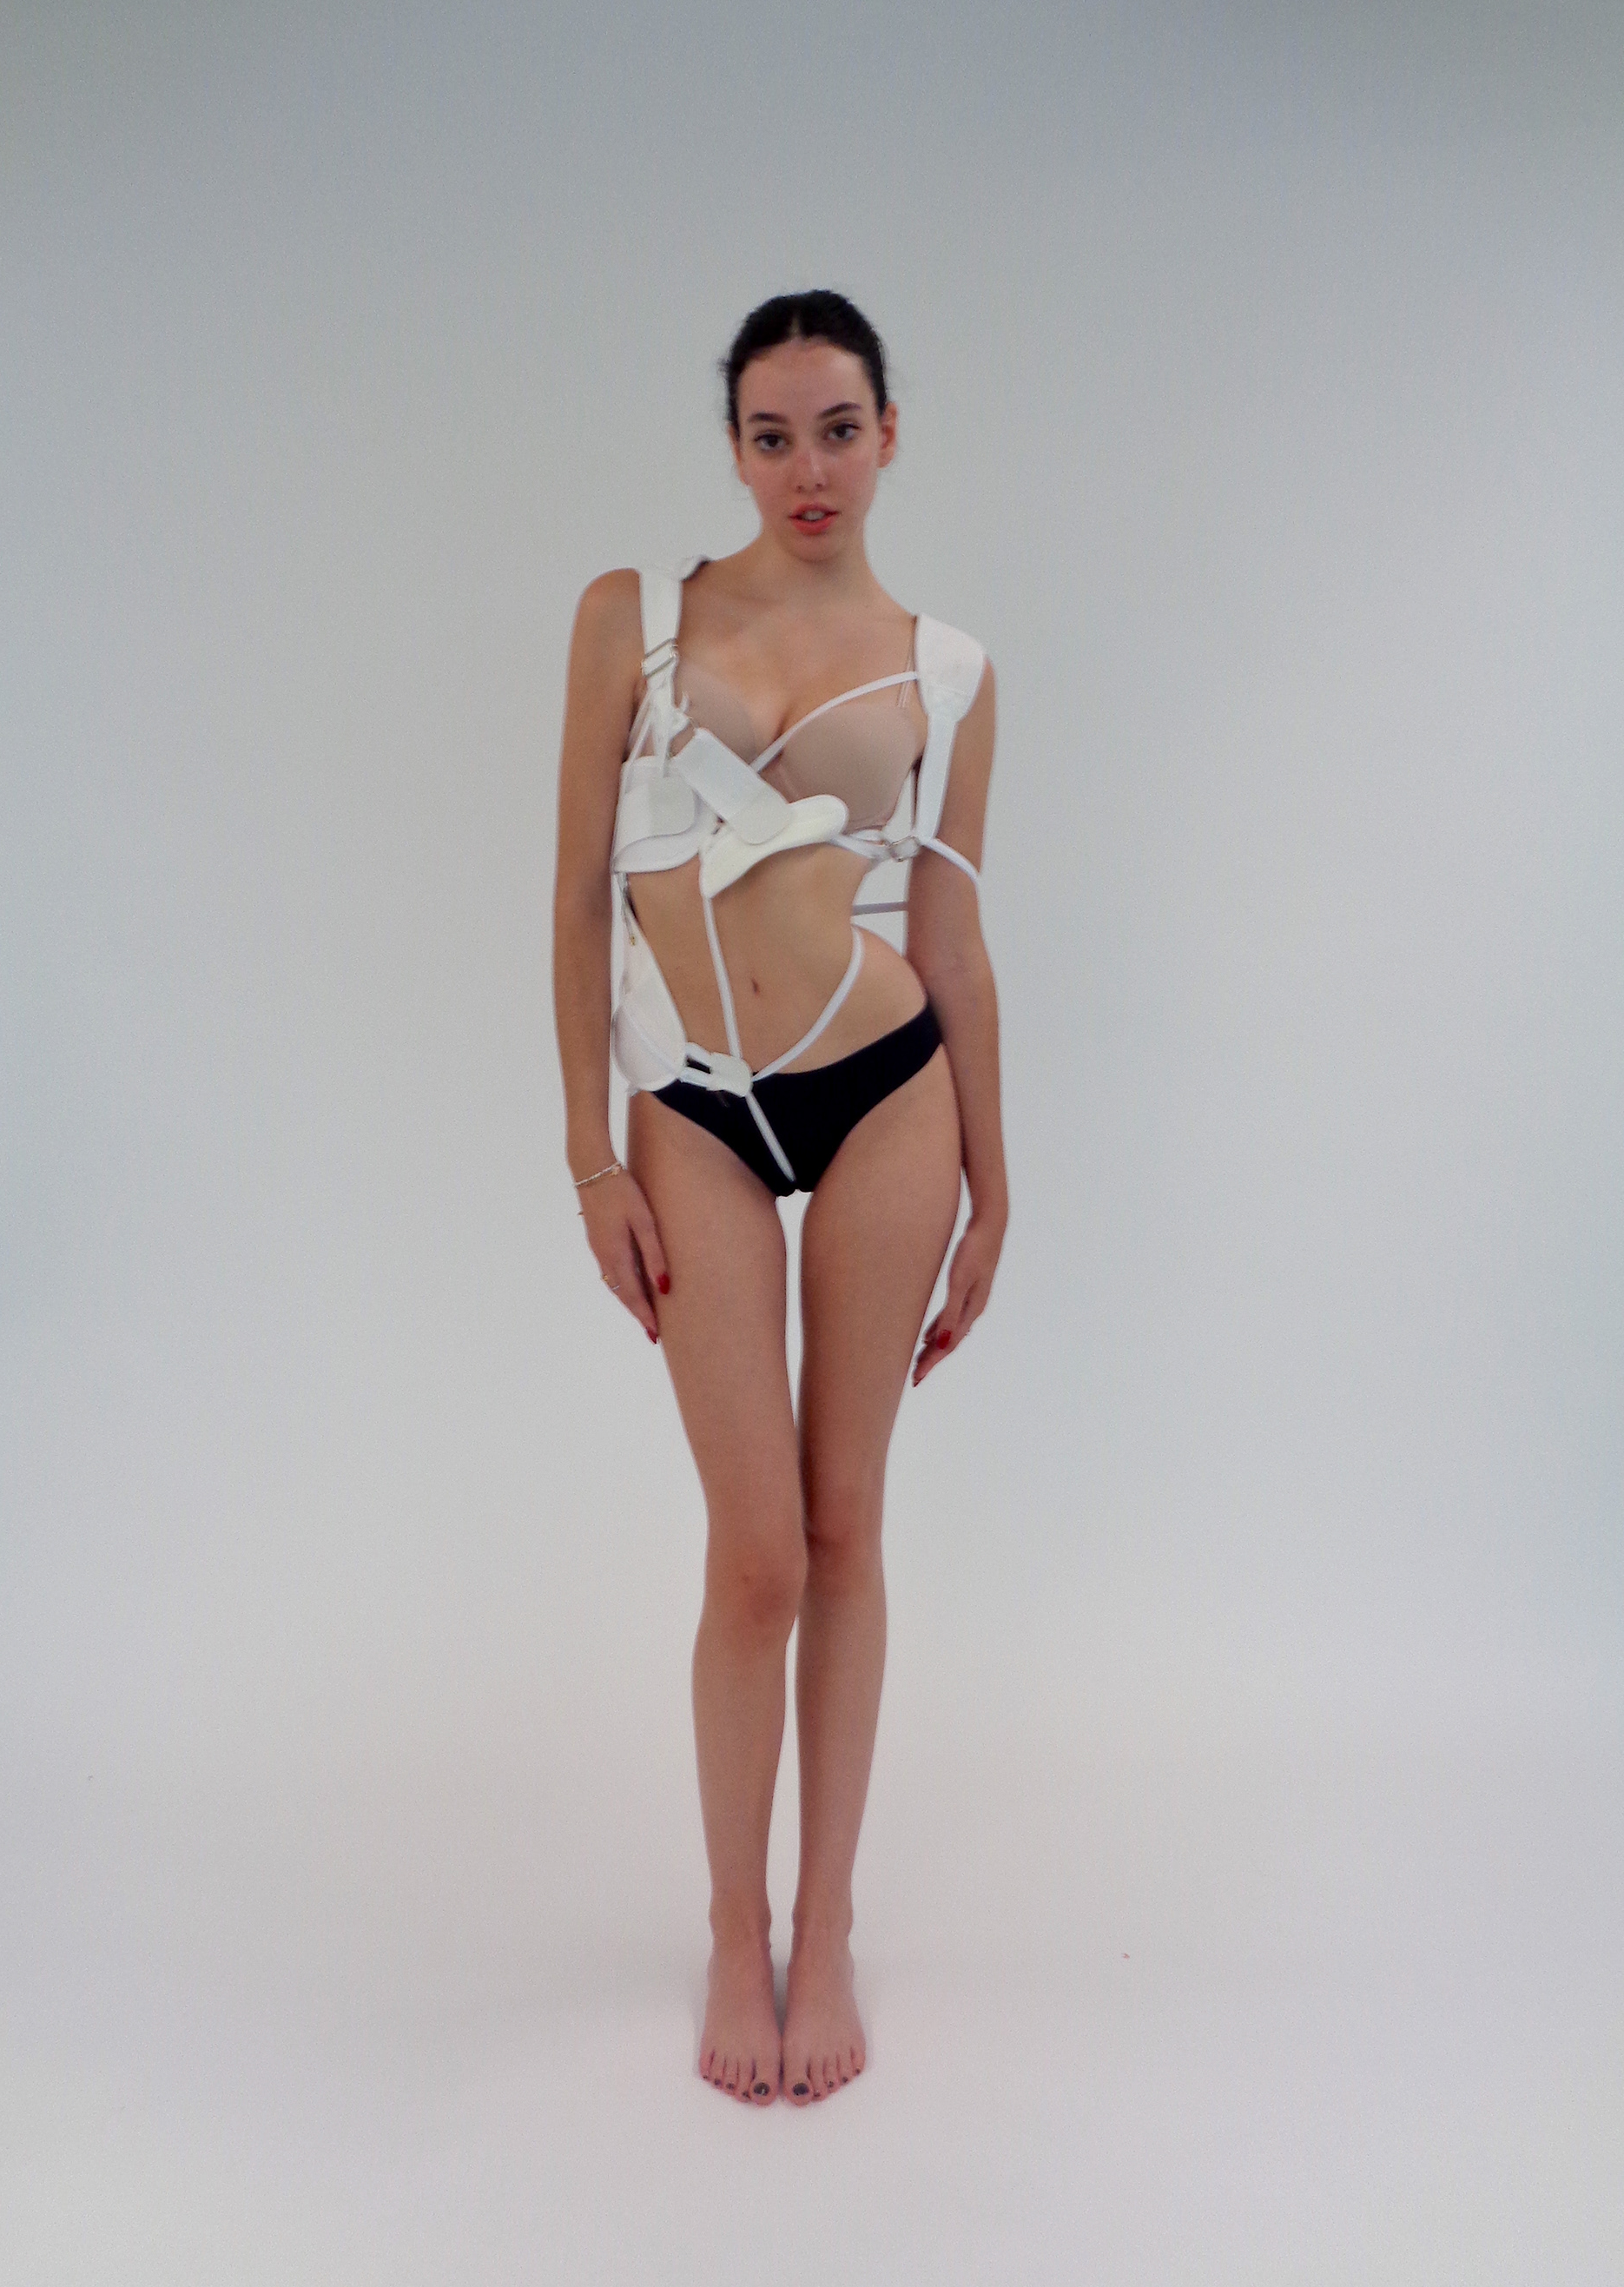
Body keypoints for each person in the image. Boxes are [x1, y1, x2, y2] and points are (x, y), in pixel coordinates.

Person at [551, 290, 1007, 2105]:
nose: (806, 466)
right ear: (733, 449)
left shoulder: (948, 668)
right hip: (692, 1109)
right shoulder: (634, 620)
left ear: (888, 435)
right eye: (769, 434)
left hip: (890, 1095)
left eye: (836, 428)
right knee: (756, 1557)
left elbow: (952, 935)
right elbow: (574, 892)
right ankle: (731, 1926)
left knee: (845, 1526)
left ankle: (825, 1926)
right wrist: (591, 1155)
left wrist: (995, 1187)